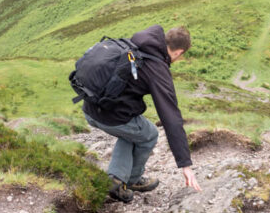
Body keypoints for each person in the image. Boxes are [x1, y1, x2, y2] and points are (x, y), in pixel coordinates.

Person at [82, 25, 202, 203]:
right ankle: (130, 180)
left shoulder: (140, 41)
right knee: (149, 134)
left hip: (90, 106)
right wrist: (185, 164)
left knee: (133, 131)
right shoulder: (158, 70)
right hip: (108, 116)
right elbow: (171, 117)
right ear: (178, 52)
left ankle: (116, 178)